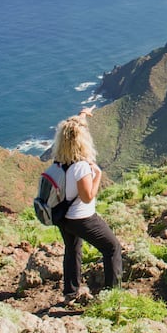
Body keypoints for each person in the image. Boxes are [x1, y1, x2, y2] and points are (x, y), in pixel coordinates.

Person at [50, 106, 122, 304]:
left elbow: (73, 129)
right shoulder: (81, 167)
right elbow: (88, 196)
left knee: (72, 250)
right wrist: (97, 175)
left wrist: (83, 115)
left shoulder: (59, 162)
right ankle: (112, 296)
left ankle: (70, 294)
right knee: (112, 248)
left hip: (62, 218)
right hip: (81, 218)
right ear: (81, 141)